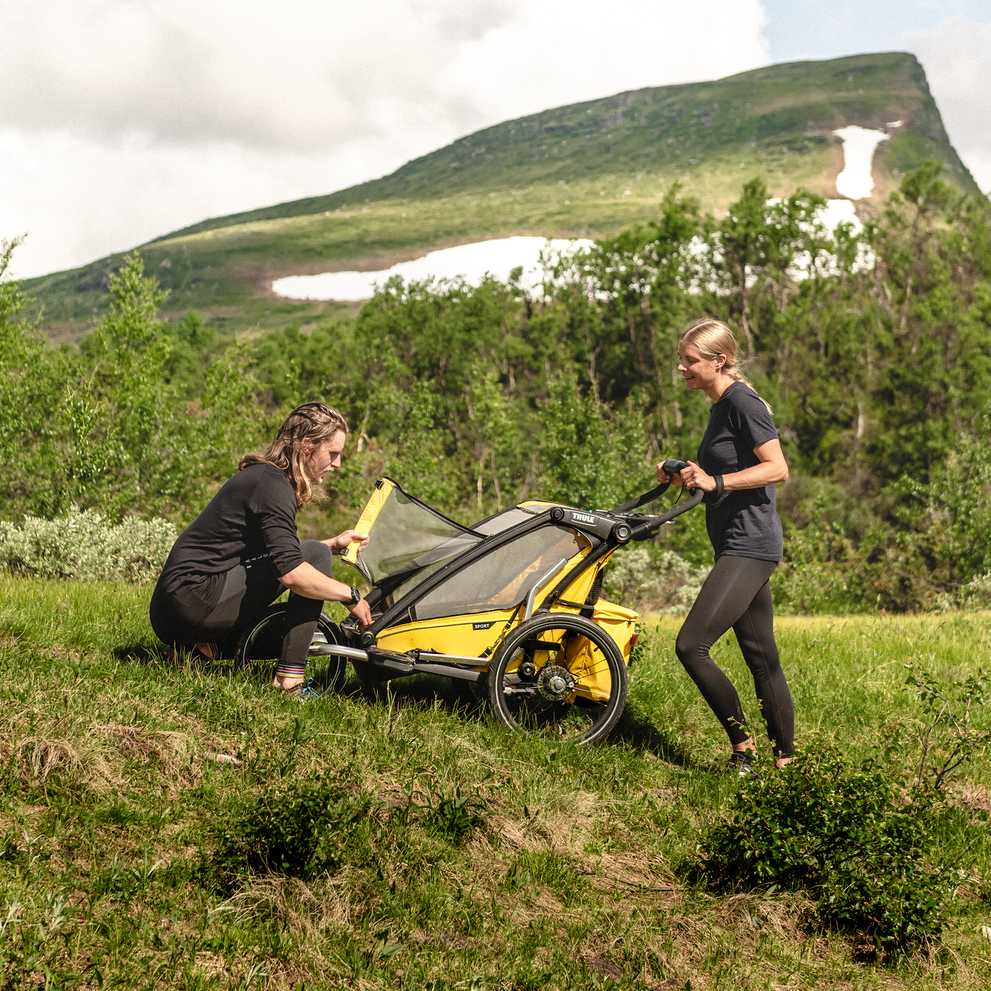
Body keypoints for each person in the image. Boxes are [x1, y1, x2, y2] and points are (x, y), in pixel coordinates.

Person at [150, 402, 371, 698]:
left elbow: (277, 553)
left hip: (174, 608)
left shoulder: (266, 479)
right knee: (313, 559)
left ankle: (202, 651)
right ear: (307, 446)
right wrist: (351, 595)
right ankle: (289, 681)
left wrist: (332, 545)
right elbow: (292, 573)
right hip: (192, 600)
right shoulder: (273, 486)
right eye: (333, 453)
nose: (337, 463)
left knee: (309, 587)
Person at [657, 318, 793, 773]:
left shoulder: (742, 402)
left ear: (720, 361)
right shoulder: (721, 405)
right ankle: (786, 765)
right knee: (762, 658)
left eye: (690, 361)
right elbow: (725, 470)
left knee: (691, 645)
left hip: (749, 545)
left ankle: (743, 748)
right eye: (682, 360)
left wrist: (715, 481)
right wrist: (688, 473)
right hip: (738, 543)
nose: (682, 368)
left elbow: (776, 468)